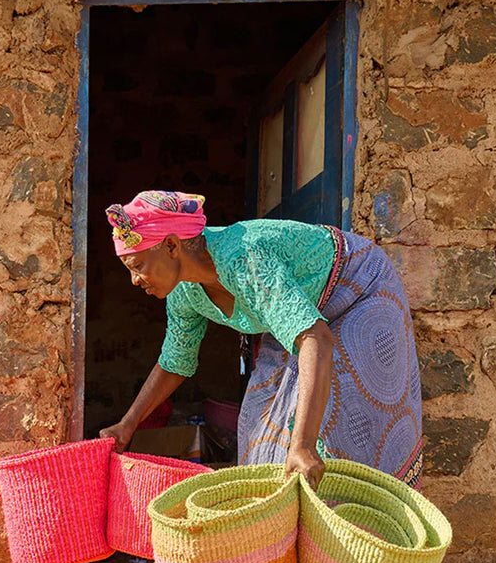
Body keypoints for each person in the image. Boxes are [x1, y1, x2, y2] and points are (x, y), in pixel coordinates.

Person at [99, 190, 423, 492]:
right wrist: (128, 425)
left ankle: (357, 532)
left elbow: (317, 341)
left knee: (334, 424)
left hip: (356, 292)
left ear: (172, 246)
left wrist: (304, 445)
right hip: (305, 314)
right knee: (260, 420)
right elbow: (175, 362)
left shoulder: (246, 258)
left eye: (138, 266)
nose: (134, 279)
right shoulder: (184, 292)